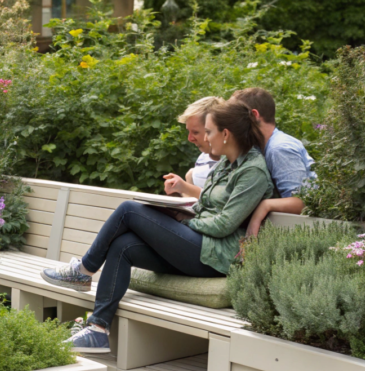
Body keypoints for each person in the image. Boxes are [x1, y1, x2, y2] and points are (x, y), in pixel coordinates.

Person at [41, 99, 274, 352]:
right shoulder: (225, 165)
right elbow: (205, 206)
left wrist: (185, 221)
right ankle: (97, 329)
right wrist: (177, 212)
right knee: (123, 245)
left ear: (225, 134)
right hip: (198, 244)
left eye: (208, 132)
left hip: (216, 255)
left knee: (128, 210)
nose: (206, 138)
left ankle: (83, 271)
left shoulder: (253, 171)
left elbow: (224, 224)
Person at [231, 87, 317, 237]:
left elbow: (302, 203)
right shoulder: (261, 146)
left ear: (254, 115)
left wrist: (265, 205)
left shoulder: (279, 148)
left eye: (234, 116)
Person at [162, 96, 225, 198]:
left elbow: (220, 199)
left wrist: (185, 187)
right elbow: (193, 201)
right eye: (189, 131)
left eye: (195, 132)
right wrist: (178, 191)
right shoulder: (203, 157)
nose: (190, 138)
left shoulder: (231, 162)